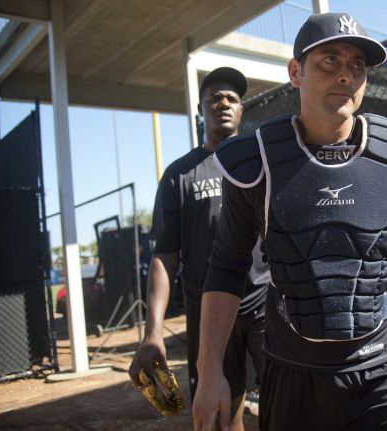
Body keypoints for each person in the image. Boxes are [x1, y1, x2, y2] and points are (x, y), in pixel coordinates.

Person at [193, 13, 387, 431]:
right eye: (330, 60)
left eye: (357, 66)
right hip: (293, 375)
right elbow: (227, 266)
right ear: (295, 72)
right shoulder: (256, 163)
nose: (346, 75)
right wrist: (210, 371)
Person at [129, 67, 269, 431]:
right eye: (214, 98)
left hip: (264, 303)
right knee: (220, 416)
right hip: (206, 310)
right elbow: (165, 255)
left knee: (290, 402)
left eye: (232, 98)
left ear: (242, 109)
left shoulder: (261, 163)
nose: (223, 103)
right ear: (201, 110)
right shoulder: (180, 174)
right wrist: (153, 332)